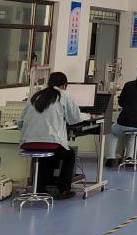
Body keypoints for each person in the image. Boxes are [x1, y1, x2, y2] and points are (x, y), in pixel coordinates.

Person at [18, 71, 87, 200]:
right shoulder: (64, 95)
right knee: (69, 155)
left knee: (48, 155)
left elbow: (20, 122)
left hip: (28, 143)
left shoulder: (36, 95)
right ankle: (63, 190)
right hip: (51, 143)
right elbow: (74, 119)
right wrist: (87, 116)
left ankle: (41, 187)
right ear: (65, 85)